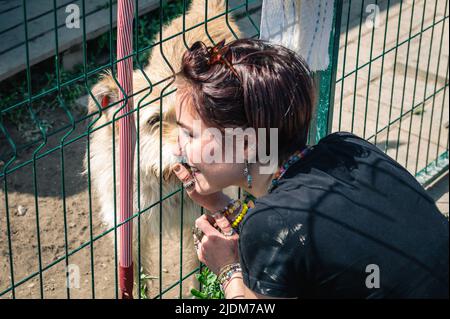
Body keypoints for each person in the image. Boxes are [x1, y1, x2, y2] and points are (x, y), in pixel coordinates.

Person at [171, 38, 449, 299]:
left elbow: (282, 229)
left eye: (190, 134)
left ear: (245, 143)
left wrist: (228, 268)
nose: (177, 148)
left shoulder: (271, 224)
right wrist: (220, 204)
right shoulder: (346, 147)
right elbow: (299, 237)